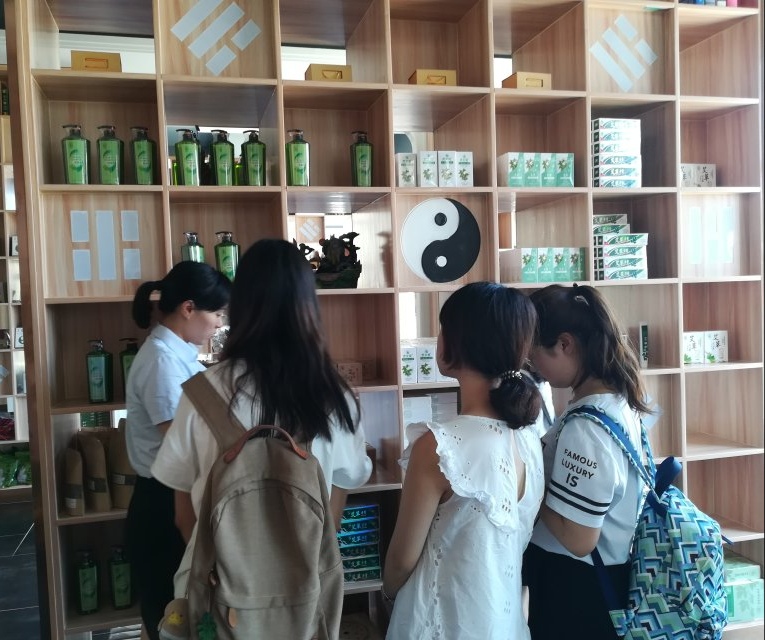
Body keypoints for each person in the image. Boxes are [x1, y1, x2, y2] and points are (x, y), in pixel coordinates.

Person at [151, 238, 373, 597]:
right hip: (304, 596)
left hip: (218, 599)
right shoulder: (336, 397)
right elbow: (337, 501)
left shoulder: (200, 394)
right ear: (309, 305)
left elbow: (183, 516)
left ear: (240, 305)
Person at [384, 282, 544, 640]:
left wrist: (388, 594)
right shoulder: (529, 438)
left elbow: (401, 560)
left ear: (455, 343)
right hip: (504, 625)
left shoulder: (440, 448)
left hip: (441, 625)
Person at [523, 284, 653, 640]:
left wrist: (528, 483)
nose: (533, 366)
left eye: (535, 355)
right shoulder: (617, 402)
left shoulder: (587, 428)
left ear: (564, 344)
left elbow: (579, 538)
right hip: (600, 579)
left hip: (577, 590)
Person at [125, 261, 231, 640]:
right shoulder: (161, 362)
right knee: (170, 619)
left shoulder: (176, 354)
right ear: (189, 308)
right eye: (216, 313)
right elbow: (184, 445)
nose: (218, 324)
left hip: (174, 497)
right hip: (163, 504)